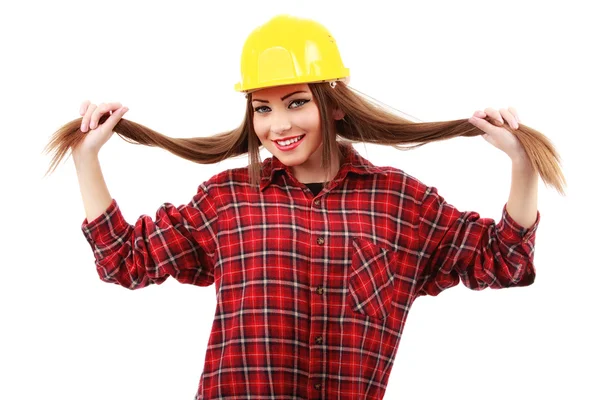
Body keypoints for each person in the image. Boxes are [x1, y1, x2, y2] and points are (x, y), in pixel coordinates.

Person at [56, 14, 546, 400]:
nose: (277, 125)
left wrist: (522, 162)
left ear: (333, 104)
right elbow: (124, 260)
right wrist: (86, 160)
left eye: (295, 102)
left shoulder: (400, 203)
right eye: (262, 108)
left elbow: (504, 261)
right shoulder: (227, 200)